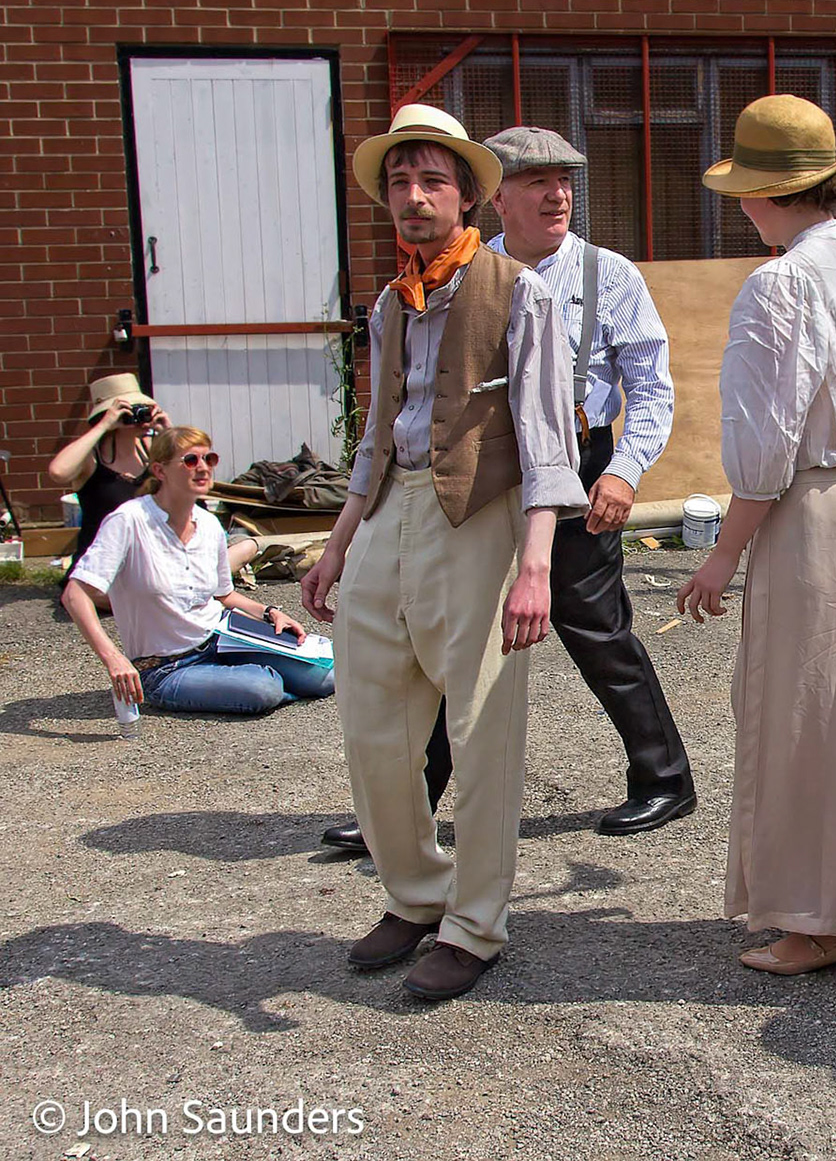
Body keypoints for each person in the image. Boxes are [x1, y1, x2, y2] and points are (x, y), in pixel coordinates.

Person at [314, 125, 693, 854]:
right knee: (451, 636)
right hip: (483, 471)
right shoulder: (466, 275)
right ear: (496, 197)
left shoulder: (608, 275)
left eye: (564, 179)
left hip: (578, 463)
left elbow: (652, 387)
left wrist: (623, 471)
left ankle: (665, 777)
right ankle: (409, 806)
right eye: (536, 180)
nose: (557, 193)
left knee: (595, 628)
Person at [299, 103, 587, 1002]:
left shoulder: (519, 289)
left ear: (468, 194)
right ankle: (416, 893)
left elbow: (548, 441)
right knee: (372, 719)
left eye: (432, 181)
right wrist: (336, 545)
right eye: (399, 181)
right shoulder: (392, 301)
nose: (413, 197)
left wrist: (535, 564)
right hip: (392, 509)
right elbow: (375, 435)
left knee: (481, 728)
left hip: (481, 517)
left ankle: (475, 924)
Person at [677, 93, 836, 974]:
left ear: (762, 192)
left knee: (805, 711)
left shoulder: (781, 284)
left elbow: (765, 446)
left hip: (813, 509)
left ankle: (821, 919)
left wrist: (720, 554)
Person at [63, 426, 333, 715]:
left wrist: (269, 613)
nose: (203, 468)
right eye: (191, 460)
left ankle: (262, 674)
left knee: (326, 677)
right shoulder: (129, 521)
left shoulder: (208, 525)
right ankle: (262, 679)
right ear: (160, 470)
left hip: (222, 640)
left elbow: (224, 596)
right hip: (165, 668)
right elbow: (74, 595)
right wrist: (114, 659)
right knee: (263, 689)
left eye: (210, 459)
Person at [49, 374, 259, 606]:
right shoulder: (93, 460)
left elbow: (193, 492)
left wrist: (169, 432)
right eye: (129, 412)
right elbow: (58, 472)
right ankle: (183, 594)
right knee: (111, 593)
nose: (139, 418)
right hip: (116, 565)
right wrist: (104, 426)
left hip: (163, 557)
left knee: (247, 545)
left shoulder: (153, 453)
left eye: (142, 410)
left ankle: (182, 592)